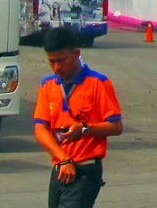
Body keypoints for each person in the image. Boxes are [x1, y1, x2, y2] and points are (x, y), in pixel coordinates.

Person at [33, 25, 124, 208]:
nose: (57, 67)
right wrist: (63, 158)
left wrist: (85, 129)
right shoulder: (47, 85)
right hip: (60, 167)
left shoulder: (98, 83)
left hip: (84, 171)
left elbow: (116, 127)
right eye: (51, 62)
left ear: (76, 53)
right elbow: (40, 128)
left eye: (62, 60)